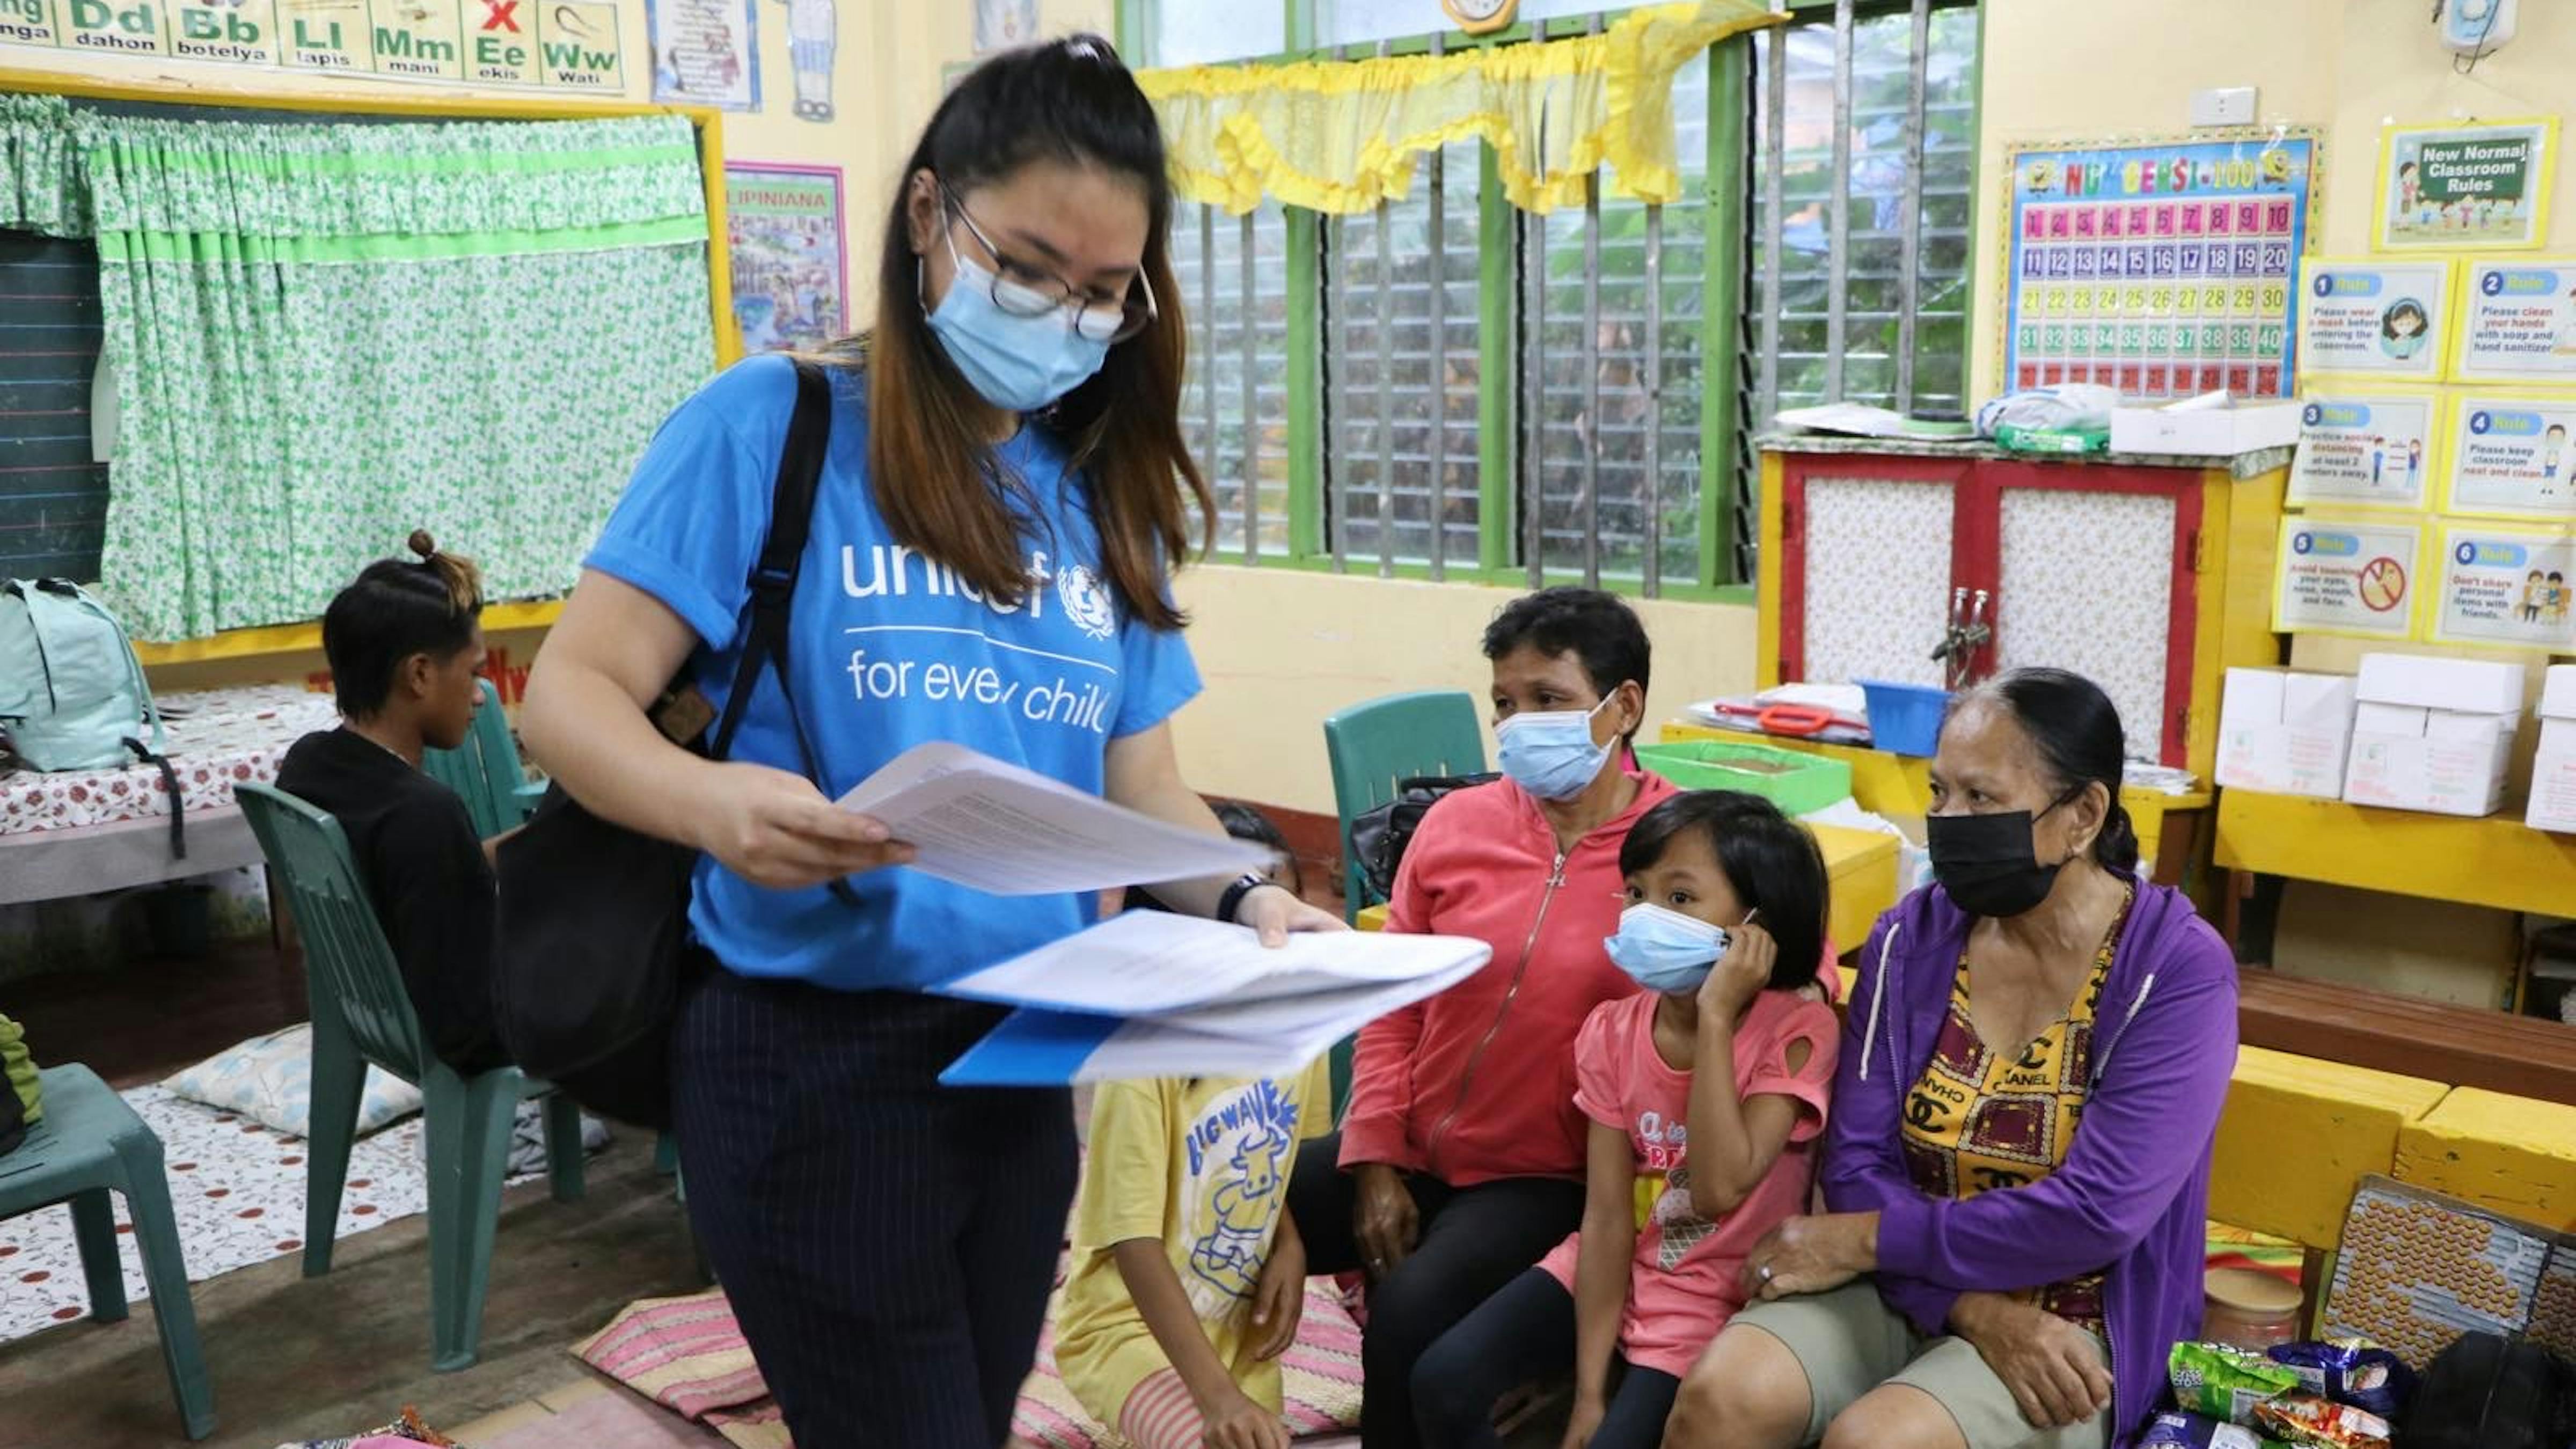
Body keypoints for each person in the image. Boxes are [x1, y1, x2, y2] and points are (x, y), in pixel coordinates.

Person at [517, 36, 1340, 1449]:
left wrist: (1249, 893)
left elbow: (1141, 782)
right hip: (810, 1060)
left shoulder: (1100, 494)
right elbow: (570, 694)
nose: (1063, 316)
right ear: (928, 216)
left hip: (1027, 1055)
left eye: (1101, 294)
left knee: (967, 1414)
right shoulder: (771, 428)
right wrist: (715, 806)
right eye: (1029, 267)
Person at [1664, 668, 2239, 1449]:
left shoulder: (2174, 970)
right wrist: (1966, 1305)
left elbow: (2097, 1213)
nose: (1947, 821)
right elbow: (1857, 1163)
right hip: (1906, 1285)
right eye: (1938, 793)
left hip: (2077, 1323)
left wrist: (1868, 1240)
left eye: (1980, 798)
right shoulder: (1911, 939)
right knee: (1724, 1394)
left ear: (2084, 814)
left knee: (1876, 1444)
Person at [1283, 587, 1672, 1449]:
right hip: (1413, 1142)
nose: (1521, 721)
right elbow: (1393, 998)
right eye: (1506, 701)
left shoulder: (1677, 851)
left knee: (1409, 1320)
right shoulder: (1458, 826)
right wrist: (1375, 1156)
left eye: (1551, 700)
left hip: (1545, 1175)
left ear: (1625, 707)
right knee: (1224, 1215)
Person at [1412, 791, 1840, 1449]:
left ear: (1759, 925)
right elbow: (1607, 1218)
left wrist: (1719, 1017)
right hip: (1620, 1264)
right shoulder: (1612, 1031)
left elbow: (1719, 1187)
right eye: (1636, 893)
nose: (1645, 916)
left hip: (1716, 1293)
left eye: (1680, 898)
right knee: (1442, 1379)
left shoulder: (1796, 1030)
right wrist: (1589, 1393)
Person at [276, 532, 509, 1075]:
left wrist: (540, 844)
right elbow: (472, 1032)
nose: (480, 695)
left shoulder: (310, 763)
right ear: (420, 674)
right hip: (455, 1039)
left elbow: (416, 876)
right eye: (474, 673)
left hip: (375, 1018)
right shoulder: (424, 812)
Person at [1055, 1053, 1335, 1449]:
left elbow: (1274, 1165)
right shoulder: (1140, 1063)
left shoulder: (1304, 1035)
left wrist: (1290, 1243)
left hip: (1241, 1339)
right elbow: (1133, 1241)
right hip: (1124, 1327)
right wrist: (1220, 1400)